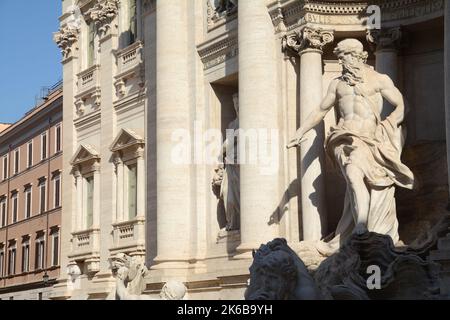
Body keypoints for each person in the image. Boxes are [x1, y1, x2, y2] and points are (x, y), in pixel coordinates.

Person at [287, 39, 414, 255]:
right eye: (339, 56)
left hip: (369, 138)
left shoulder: (378, 79)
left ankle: (363, 225)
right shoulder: (337, 84)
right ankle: (362, 225)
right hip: (343, 138)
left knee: (364, 182)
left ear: (357, 55)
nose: (341, 61)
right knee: (354, 175)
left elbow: (403, 105)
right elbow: (320, 109)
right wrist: (301, 131)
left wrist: (388, 126)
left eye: (344, 55)